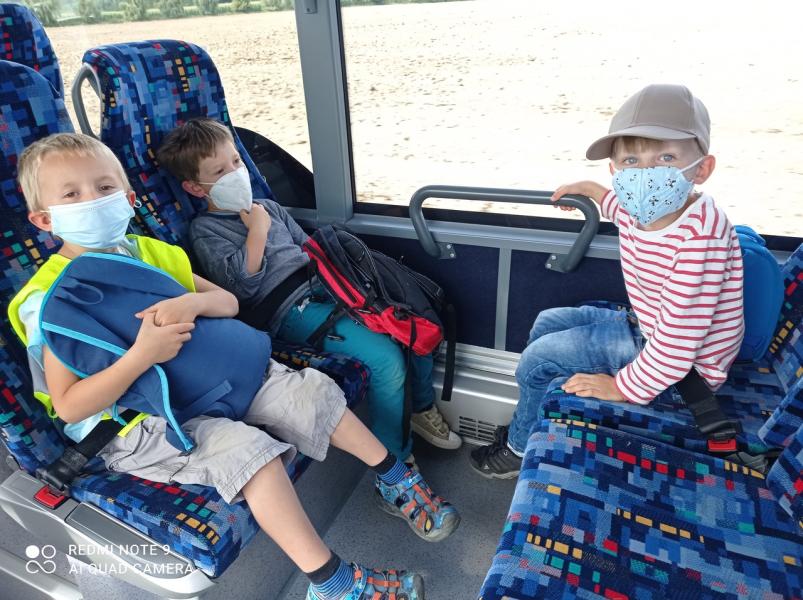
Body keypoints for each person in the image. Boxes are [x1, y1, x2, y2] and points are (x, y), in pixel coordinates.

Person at [9, 132, 461, 599]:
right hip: (137, 420)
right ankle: (333, 584)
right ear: (45, 219)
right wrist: (143, 355)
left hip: (203, 376)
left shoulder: (149, 254)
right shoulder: (51, 300)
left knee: (308, 391)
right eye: (72, 195)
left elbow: (226, 303)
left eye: (105, 188)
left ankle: (394, 479)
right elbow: (70, 406)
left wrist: (190, 303)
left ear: (127, 198)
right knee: (252, 456)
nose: (92, 200)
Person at [470, 84, 745, 478]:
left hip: (687, 371)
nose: (645, 175)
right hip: (653, 330)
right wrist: (591, 191)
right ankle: (537, 416)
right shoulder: (643, 208)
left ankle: (517, 448)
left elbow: (676, 346)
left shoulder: (701, 237)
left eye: (666, 158)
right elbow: (620, 209)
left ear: (701, 168)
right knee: (546, 321)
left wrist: (623, 387)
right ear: (615, 170)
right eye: (631, 160)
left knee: (536, 358)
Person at [156, 118, 462, 464]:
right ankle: (395, 462)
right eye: (220, 171)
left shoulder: (269, 208)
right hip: (288, 309)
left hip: (327, 288)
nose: (236, 173)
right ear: (196, 188)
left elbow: (311, 250)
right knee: (386, 360)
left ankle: (420, 409)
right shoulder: (206, 230)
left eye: (237, 162)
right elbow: (241, 288)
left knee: (415, 323)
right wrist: (257, 232)